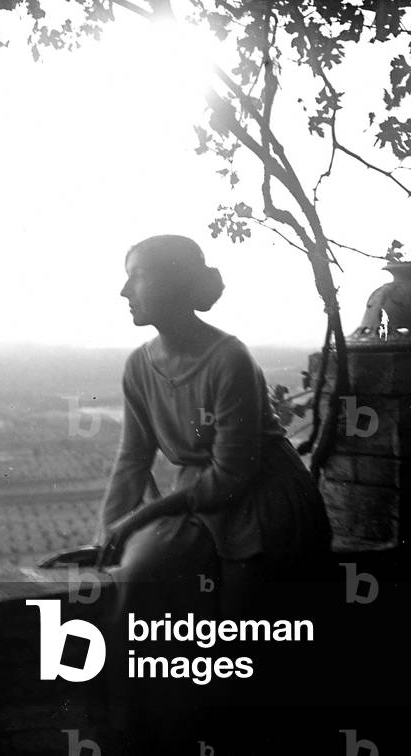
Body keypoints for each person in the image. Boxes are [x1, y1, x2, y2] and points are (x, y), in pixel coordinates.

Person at [95, 235, 334, 748]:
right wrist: (107, 534)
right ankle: (133, 730)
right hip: (200, 501)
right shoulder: (140, 366)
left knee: (235, 643)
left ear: (176, 283)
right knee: (137, 581)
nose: (123, 291)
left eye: (136, 275)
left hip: (261, 503)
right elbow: (133, 457)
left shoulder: (229, 358)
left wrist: (136, 520)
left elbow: (233, 474)